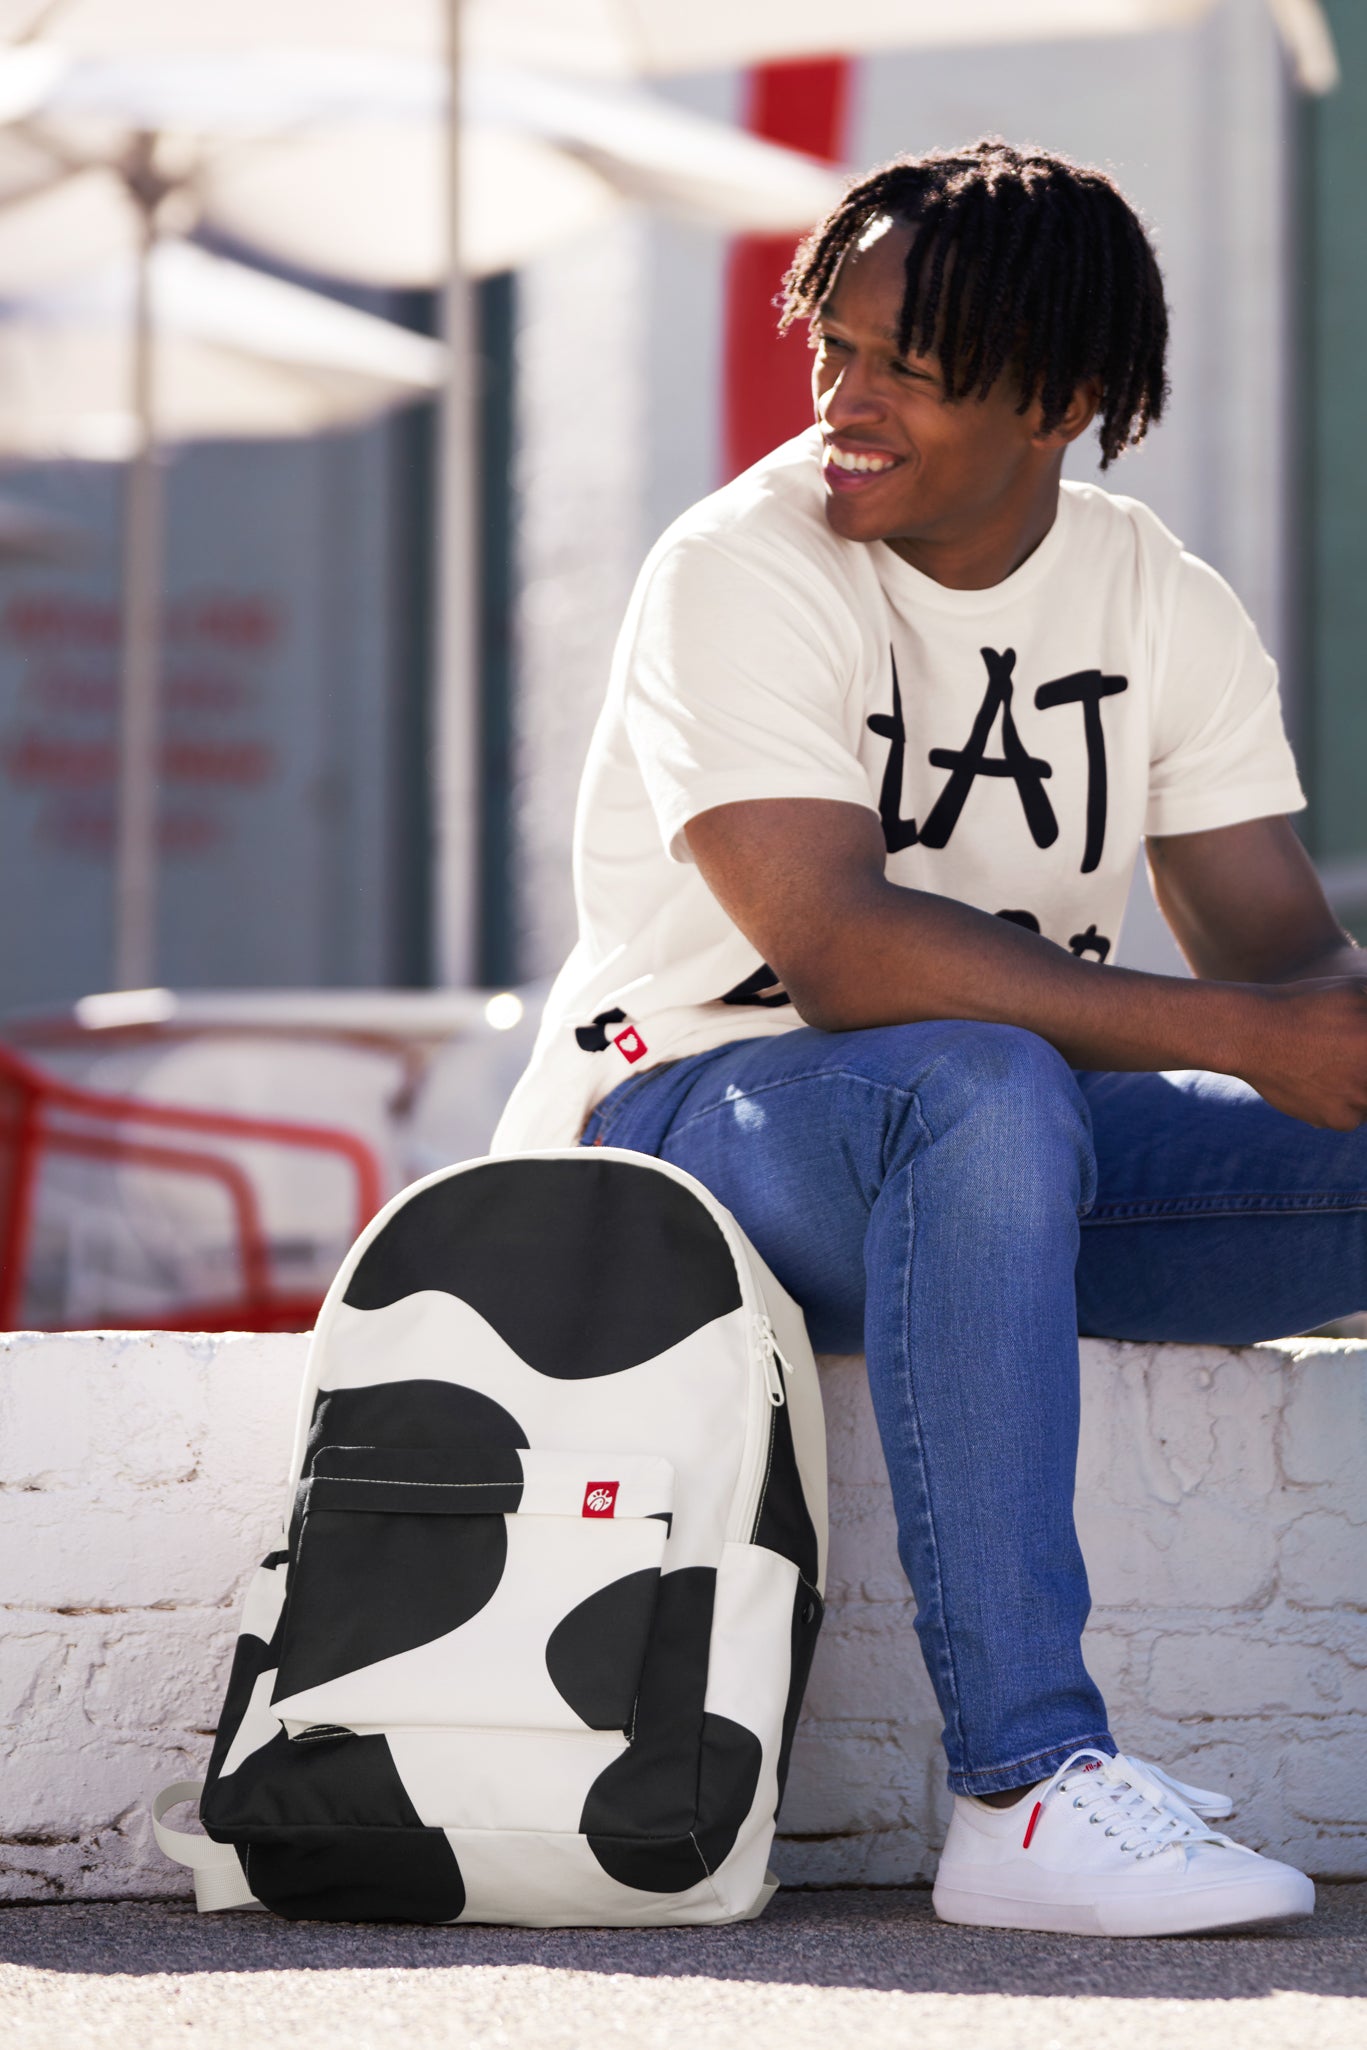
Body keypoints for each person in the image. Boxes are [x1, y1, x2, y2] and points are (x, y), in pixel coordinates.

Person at [491, 139, 1360, 1936]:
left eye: (912, 365)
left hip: (995, 1173)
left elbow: (1293, 976)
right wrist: (1243, 1033)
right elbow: (843, 951)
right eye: (835, 346)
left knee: (1031, 1103)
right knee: (977, 1077)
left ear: (1074, 397)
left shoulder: (1156, 601)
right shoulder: (739, 564)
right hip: (677, 1150)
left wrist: (1324, 1041)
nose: (846, 403)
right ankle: (1025, 1788)